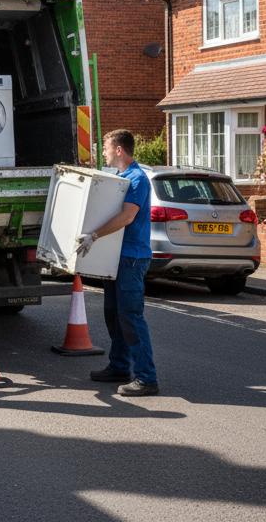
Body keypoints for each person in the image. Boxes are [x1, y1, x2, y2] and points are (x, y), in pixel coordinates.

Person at [74, 129, 159, 397]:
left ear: (119, 150)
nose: (104, 153)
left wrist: (94, 235)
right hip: (116, 257)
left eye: (107, 149)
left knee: (130, 317)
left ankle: (147, 378)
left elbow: (126, 217)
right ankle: (119, 366)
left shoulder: (136, 180)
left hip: (131, 258)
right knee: (114, 314)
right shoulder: (119, 179)